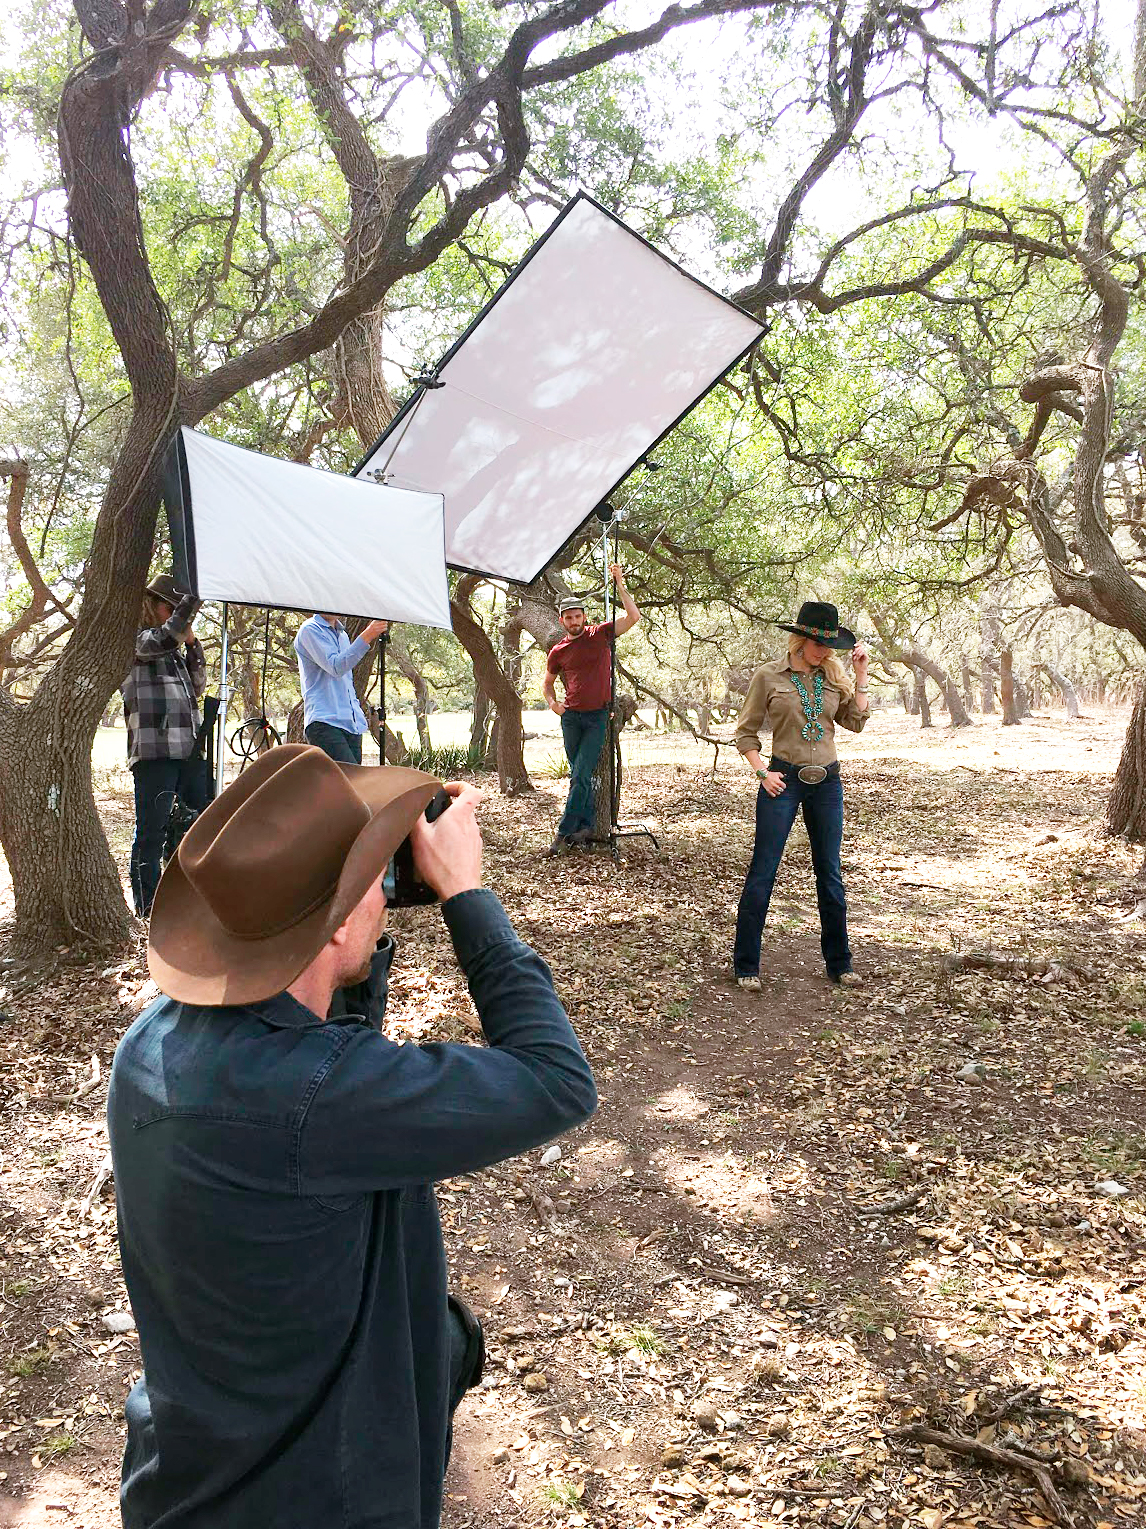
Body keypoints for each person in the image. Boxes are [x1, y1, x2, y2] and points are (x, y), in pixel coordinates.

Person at [106, 744, 597, 1529]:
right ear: (332, 931)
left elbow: (314, 1067)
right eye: (374, 877)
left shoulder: (152, 1043)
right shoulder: (321, 1096)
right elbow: (557, 1081)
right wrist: (468, 892)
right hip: (318, 1499)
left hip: (189, 1477)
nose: (387, 886)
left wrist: (344, 940)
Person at [731, 600, 870, 990]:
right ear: (800, 638)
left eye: (829, 643)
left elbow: (855, 722)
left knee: (829, 873)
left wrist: (861, 676)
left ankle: (840, 964)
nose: (823, 650)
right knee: (764, 869)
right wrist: (762, 772)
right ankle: (746, 966)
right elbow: (746, 732)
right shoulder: (769, 676)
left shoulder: (833, 678)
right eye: (816, 641)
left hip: (827, 783)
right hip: (784, 780)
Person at [121, 572, 208, 917]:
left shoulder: (174, 650)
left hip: (188, 751)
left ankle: (184, 902)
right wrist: (193, 596)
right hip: (155, 752)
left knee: (193, 828)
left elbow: (198, 684)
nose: (173, 614)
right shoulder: (136, 640)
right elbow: (165, 636)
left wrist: (193, 644)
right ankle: (148, 908)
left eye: (177, 608)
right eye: (168, 607)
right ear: (151, 605)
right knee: (152, 831)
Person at [542, 563, 640, 852]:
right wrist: (552, 704)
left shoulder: (601, 634)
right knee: (578, 776)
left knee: (581, 775)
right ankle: (584, 827)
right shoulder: (558, 651)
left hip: (598, 717)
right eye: (569, 617)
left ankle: (562, 835)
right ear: (562, 621)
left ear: (585, 617)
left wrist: (619, 582)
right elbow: (547, 683)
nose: (574, 621)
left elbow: (633, 617)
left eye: (578, 616)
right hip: (571, 718)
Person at [294, 611, 390, 763]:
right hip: (325, 722)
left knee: (352, 782)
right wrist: (368, 635)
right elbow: (336, 667)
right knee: (346, 781)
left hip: (351, 724)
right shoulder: (310, 629)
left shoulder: (342, 635)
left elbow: (346, 678)